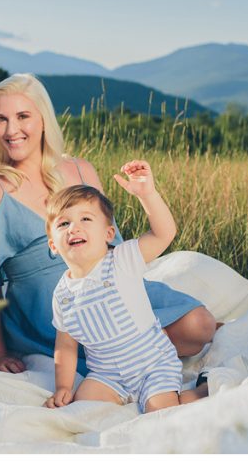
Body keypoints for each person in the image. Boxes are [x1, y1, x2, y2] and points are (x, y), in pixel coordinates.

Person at [0, 73, 216, 377]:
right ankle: (136, 350)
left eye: (23, 116)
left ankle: (140, 345)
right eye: (1, 119)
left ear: (43, 119)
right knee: (115, 342)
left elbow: (114, 247)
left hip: (109, 288)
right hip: (48, 309)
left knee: (200, 324)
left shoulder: (81, 170)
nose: (11, 130)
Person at [43, 171, 207, 413]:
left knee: (160, 411)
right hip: (107, 374)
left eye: (86, 219)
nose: (74, 228)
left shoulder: (122, 259)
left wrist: (147, 195)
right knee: (83, 406)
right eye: (64, 223)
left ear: (108, 234)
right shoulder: (62, 294)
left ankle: (202, 390)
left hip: (153, 364)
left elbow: (164, 233)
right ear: (53, 245)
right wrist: (63, 387)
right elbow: (66, 345)